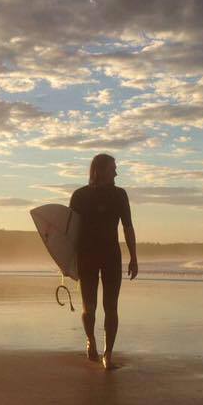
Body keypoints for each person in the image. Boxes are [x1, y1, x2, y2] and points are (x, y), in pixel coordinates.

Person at [68, 153, 138, 370]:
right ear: (99, 171)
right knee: (92, 307)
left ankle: (107, 353)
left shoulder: (119, 195)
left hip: (106, 256)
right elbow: (69, 231)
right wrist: (67, 262)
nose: (116, 172)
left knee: (108, 307)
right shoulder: (80, 196)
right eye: (112, 168)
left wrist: (134, 257)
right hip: (90, 255)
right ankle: (93, 343)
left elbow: (127, 227)